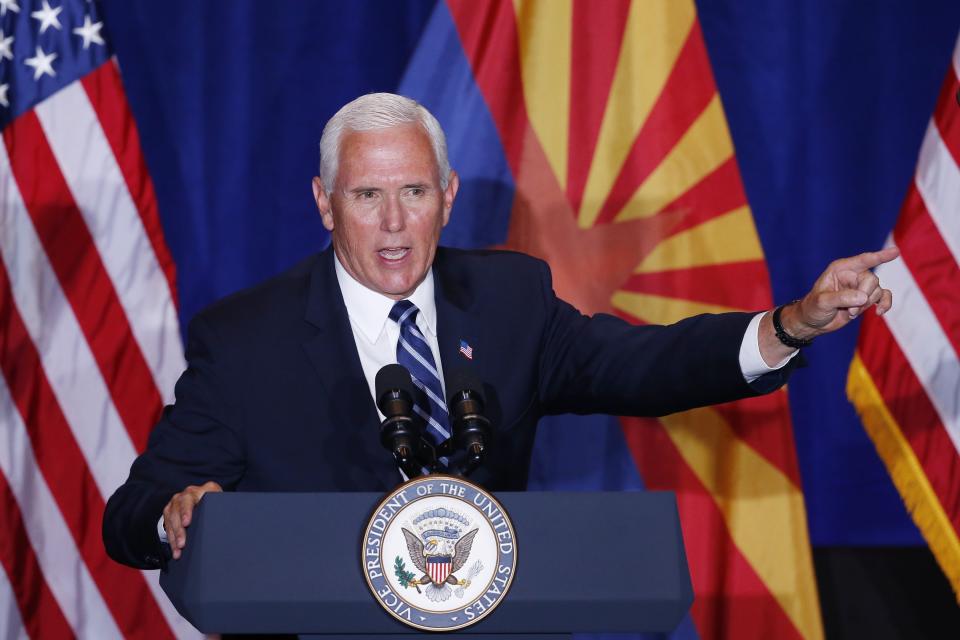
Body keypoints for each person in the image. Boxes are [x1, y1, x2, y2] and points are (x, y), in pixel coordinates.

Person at [103, 93, 896, 569]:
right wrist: (177, 511)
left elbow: (642, 365)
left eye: (413, 191)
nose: (392, 223)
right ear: (323, 203)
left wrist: (791, 324)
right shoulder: (246, 339)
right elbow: (130, 513)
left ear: (447, 196)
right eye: (365, 195)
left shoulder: (511, 299)